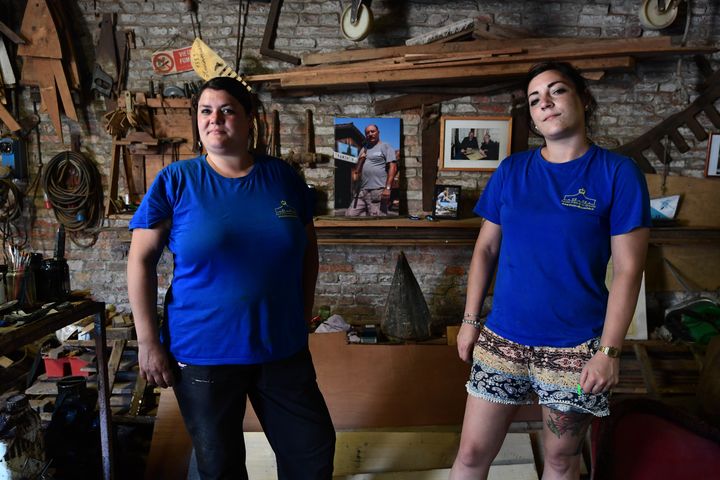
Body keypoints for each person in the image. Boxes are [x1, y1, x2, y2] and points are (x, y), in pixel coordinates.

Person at [450, 61, 651, 480]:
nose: (545, 103)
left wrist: (609, 351)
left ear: (583, 98)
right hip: (504, 337)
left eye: (556, 91)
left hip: (574, 349)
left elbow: (629, 270)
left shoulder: (617, 174)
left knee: (561, 461)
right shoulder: (511, 171)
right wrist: (470, 320)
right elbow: (485, 248)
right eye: (535, 99)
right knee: (470, 454)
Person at [127, 76, 335, 480]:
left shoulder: (283, 178)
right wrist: (148, 342)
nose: (215, 119)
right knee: (220, 466)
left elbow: (308, 250)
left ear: (248, 119)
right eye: (206, 111)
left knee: (312, 451)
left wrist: (301, 314)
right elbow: (140, 262)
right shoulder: (176, 181)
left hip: (281, 349)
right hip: (204, 353)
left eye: (227, 110)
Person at [346, 124, 398, 216]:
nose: (370, 134)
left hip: (377, 191)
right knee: (350, 215)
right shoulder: (364, 149)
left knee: (377, 221)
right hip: (362, 191)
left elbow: (393, 167)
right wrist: (361, 160)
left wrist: (388, 188)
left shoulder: (385, 146)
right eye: (367, 133)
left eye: (372, 131)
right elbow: (357, 171)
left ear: (378, 132)